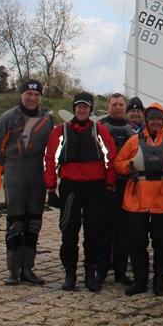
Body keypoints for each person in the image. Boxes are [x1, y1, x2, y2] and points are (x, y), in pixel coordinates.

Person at [114, 102, 163, 296]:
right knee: (136, 242)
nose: (155, 122)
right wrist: (131, 165)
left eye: (158, 119)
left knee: (162, 243)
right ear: (147, 121)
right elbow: (118, 163)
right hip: (136, 200)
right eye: (152, 119)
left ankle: (159, 280)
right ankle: (140, 281)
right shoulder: (134, 141)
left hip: (161, 201)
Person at [44, 92, 116, 292]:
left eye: (85, 107)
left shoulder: (100, 131)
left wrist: (110, 184)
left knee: (93, 234)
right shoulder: (61, 131)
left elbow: (110, 158)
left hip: (95, 189)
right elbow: (50, 159)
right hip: (71, 188)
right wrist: (51, 187)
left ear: (90, 110)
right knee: (69, 232)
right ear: (74, 109)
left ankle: (90, 274)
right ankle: (70, 274)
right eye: (78, 107)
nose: (82, 110)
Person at [0, 79, 54, 285]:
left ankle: (28, 268)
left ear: (40, 97)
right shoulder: (9, 117)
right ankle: (12, 269)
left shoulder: (47, 119)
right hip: (15, 170)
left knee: (34, 222)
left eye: (36, 95)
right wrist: (8, 166)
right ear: (22, 95)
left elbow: (53, 148)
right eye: (29, 93)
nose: (32, 98)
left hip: (38, 172)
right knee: (16, 222)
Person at [97, 92, 136, 285]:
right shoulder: (101, 126)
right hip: (105, 186)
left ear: (125, 108)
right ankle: (101, 270)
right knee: (105, 231)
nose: (118, 107)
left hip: (125, 185)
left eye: (121, 105)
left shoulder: (131, 131)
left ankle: (120, 272)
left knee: (123, 232)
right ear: (108, 105)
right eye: (114, 104)